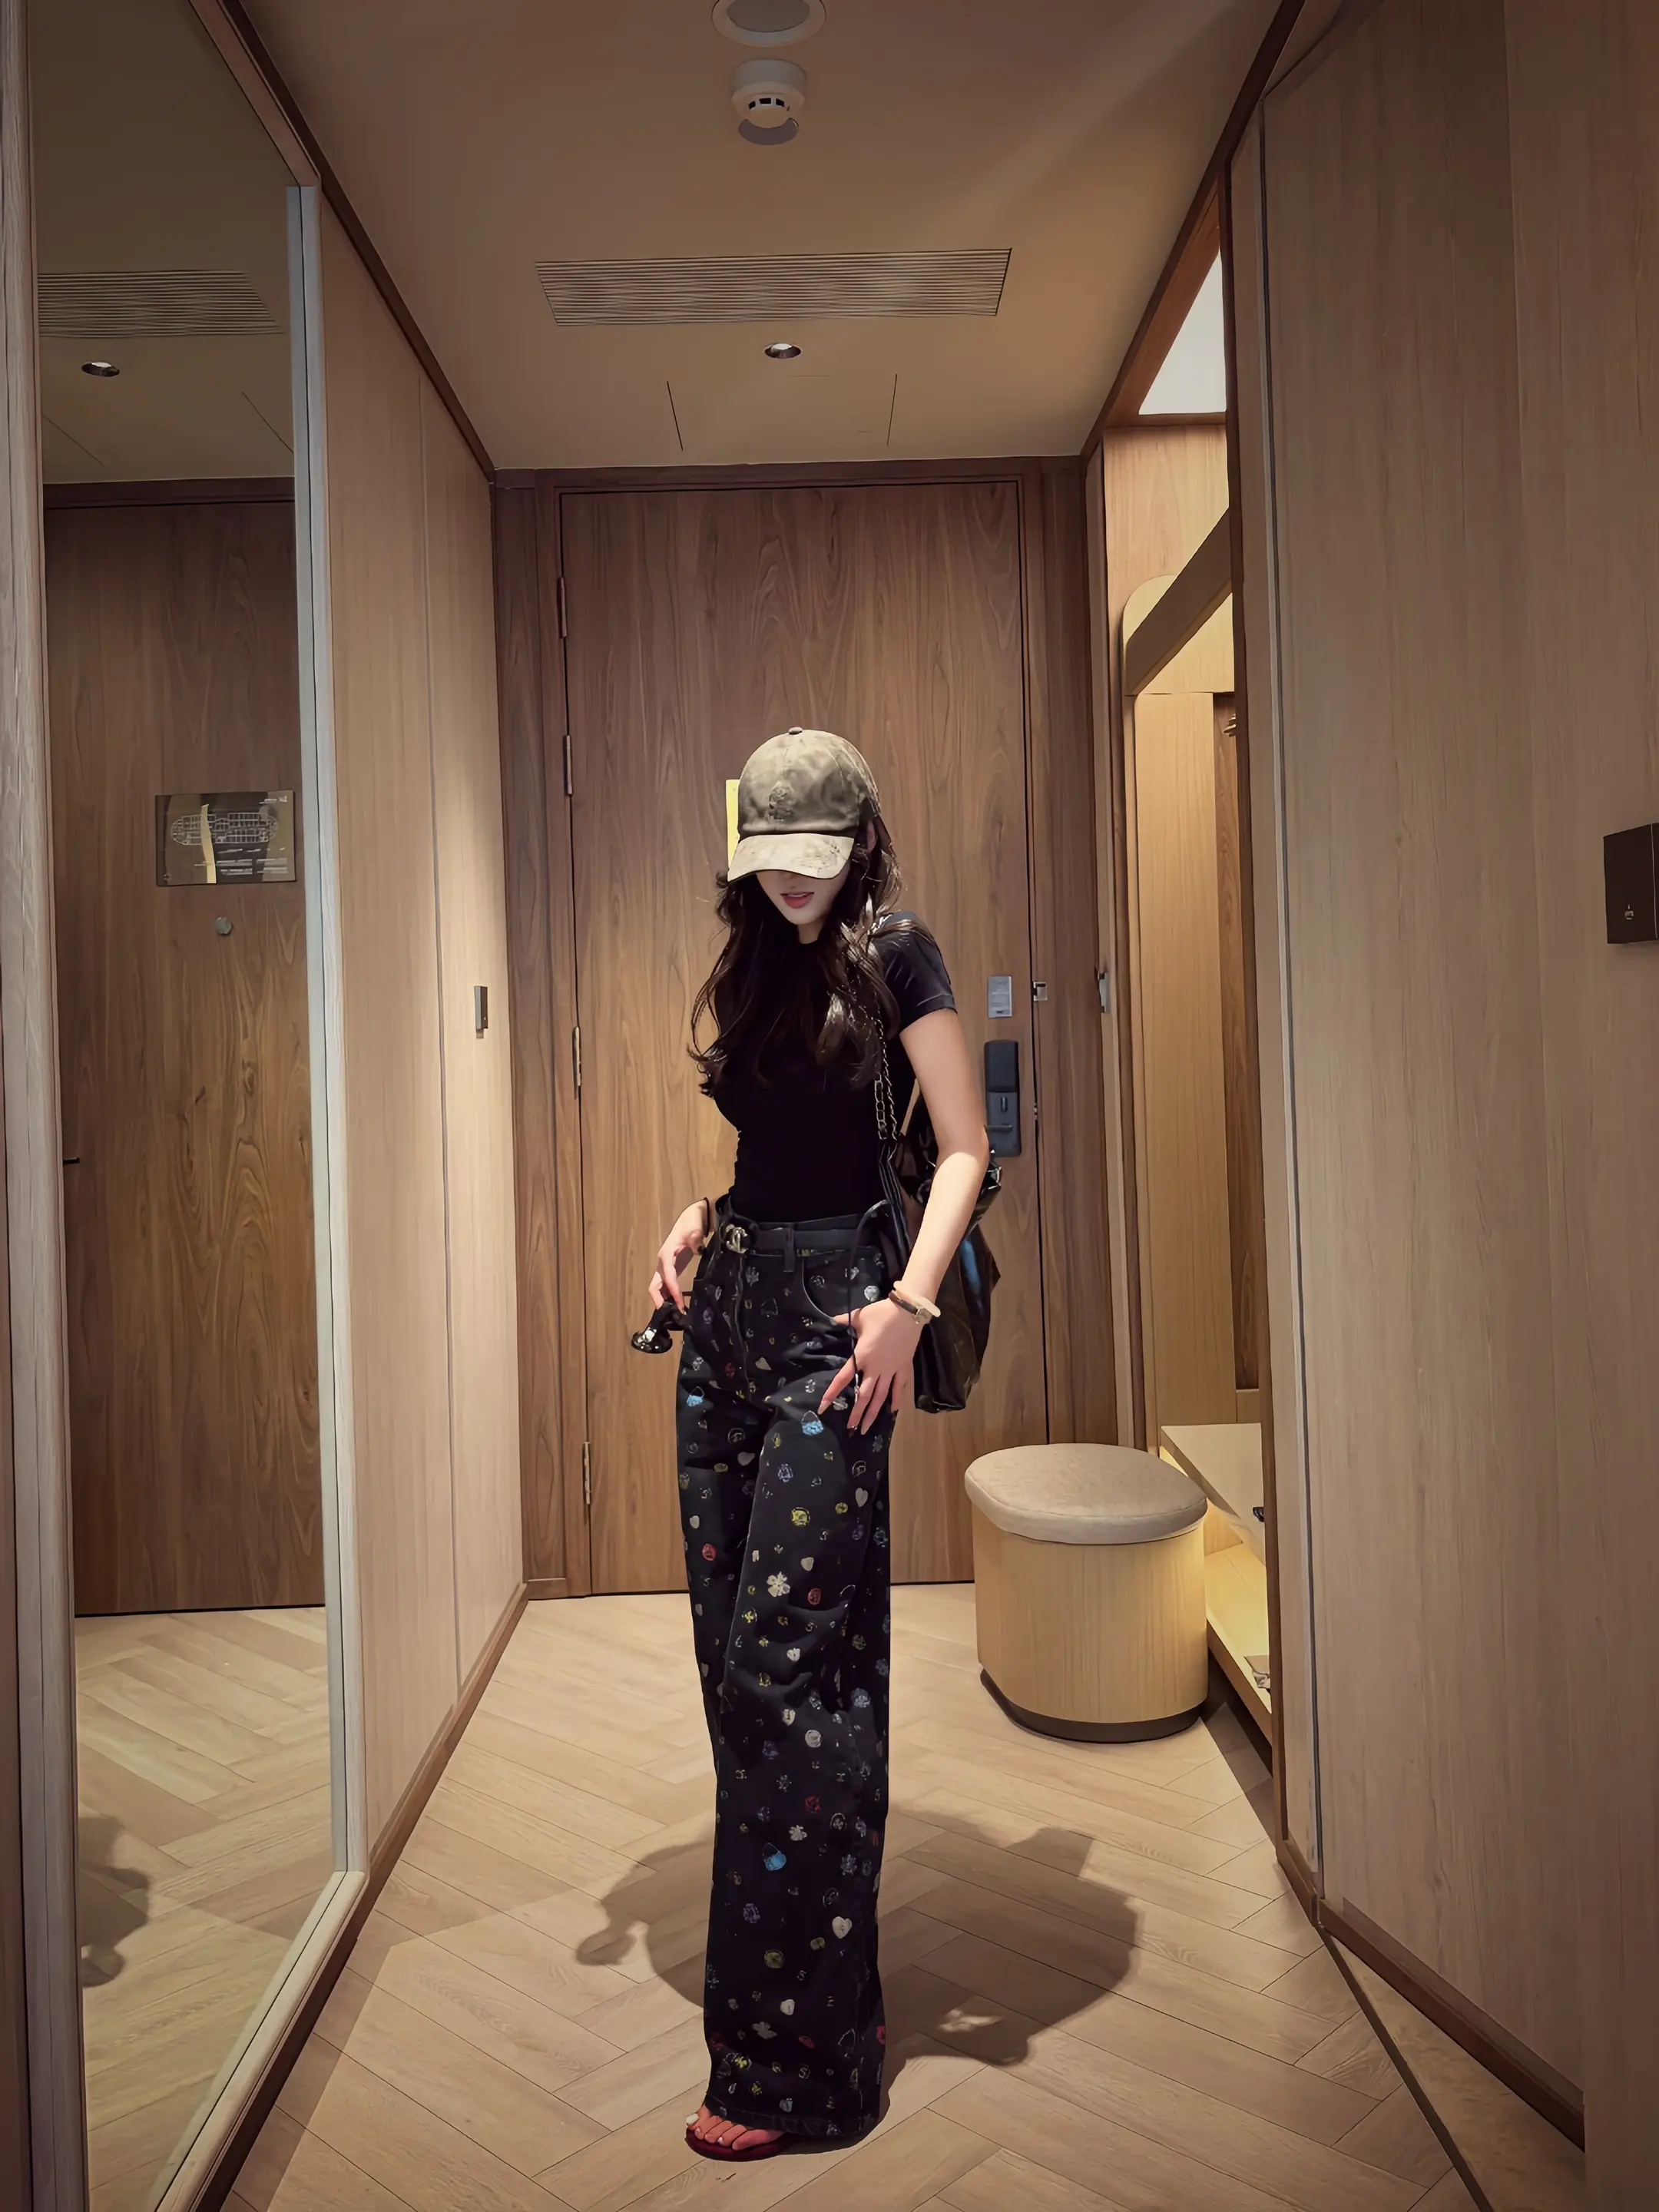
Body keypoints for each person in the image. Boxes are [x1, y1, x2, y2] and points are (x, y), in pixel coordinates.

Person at [648, 727, 990, 2162]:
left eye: (814, 857)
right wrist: (697, 1219)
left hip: (837, 1330)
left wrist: (909, 1304)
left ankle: (792, 2071)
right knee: (742, 1672)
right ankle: (830, 2010)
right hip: (729, 1311)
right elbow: (767, 1155)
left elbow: (964, 1146)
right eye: (769, 859)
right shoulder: (753, 960)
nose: (791, 880)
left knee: (786, 1675)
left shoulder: (895, 952)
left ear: (858, 844)